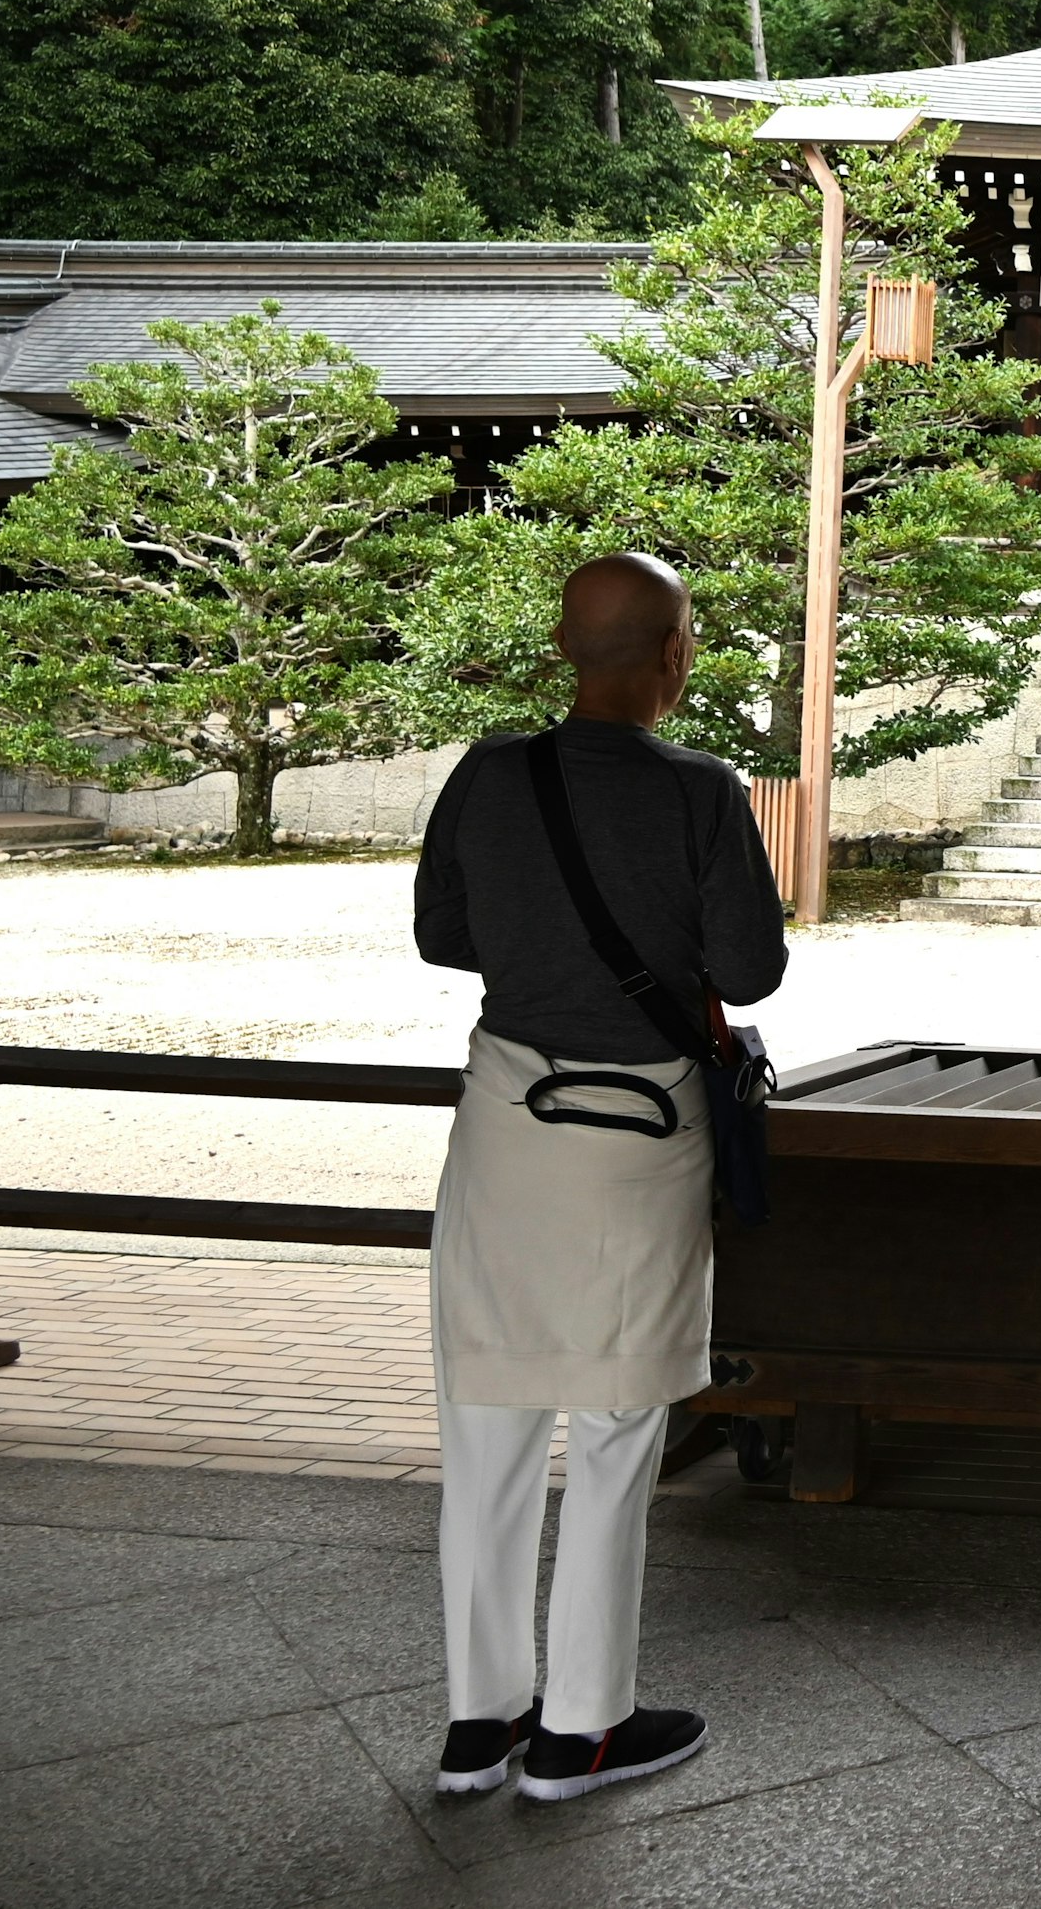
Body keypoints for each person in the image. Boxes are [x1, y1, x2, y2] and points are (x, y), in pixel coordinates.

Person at [412, 553, 788, 1802]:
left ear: (567, 649)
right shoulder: (700, 793)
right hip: (640, 1130)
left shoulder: (487, 773)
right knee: (620, 1428)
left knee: (489, 1417)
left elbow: (442, 935)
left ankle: (481, 1721)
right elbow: (752, 965)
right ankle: (584, 1725)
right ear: (675, 649)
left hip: (507, 1118)